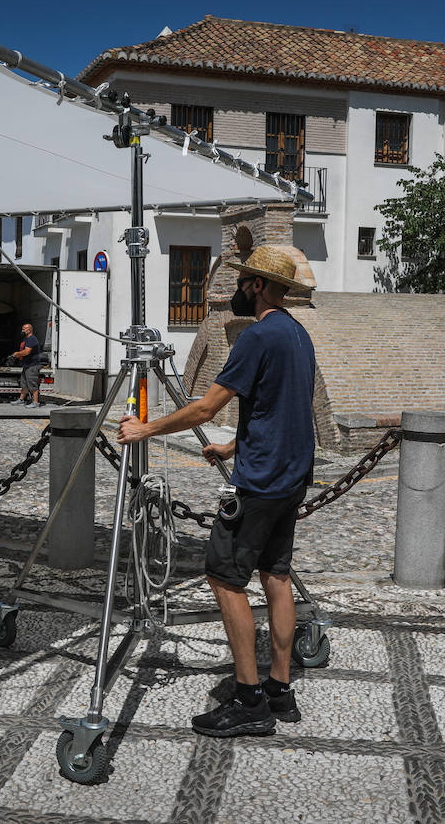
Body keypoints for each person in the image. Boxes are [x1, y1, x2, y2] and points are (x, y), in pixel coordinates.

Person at [116, 246, 316, 738]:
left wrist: (146, 429)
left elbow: (205, 407)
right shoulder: (297, 334)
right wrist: (233, 447)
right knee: (276, 574)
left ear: (257, 286)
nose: (233, 293)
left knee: (225, 578)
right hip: (291, 475)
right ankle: (279, 690)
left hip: (262, 482)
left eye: (242, 283)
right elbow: (282, 406)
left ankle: (249, 702)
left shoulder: (257, 337)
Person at [9, 322, 42, 408]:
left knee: (32, 384)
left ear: (29, 330)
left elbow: (27, 352)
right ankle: (21, 400)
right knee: (24, 384)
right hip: (27, 365)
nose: (22, 330)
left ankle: (35, 402)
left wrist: (17, 354)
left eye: (24, 329)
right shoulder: (25, 339)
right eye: (22, 329)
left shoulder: (32, 339)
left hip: (32, 366)